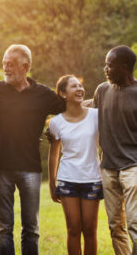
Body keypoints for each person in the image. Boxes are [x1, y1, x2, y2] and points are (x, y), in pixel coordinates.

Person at [0, 44, 65, 255]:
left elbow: (71, 108)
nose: (6, 68)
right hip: (0, 167)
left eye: (11, 64)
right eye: (4, 64)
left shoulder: (42, 94)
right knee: (4, 228)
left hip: (30, 169)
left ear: (25, 67)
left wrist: (100, 102)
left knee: (31, 228)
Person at [48, 75, 103, 255]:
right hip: (67, 180)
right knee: (73, 229)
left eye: (80, 85)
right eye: (74, 87)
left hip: (92, 179)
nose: (79, 89)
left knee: (89, 230)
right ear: (63, 93)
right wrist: (51, 182)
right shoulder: (56, 122)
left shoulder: (95, 116)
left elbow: (105, 144)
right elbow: (54, 153)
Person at [93, 45, 137, 255]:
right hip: (108, 167)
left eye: (110, 65)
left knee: (135, 225)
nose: (106, 69)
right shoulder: (102, 90)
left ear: (125, 67)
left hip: (133, 167)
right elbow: (88, 113)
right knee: (115, 227)